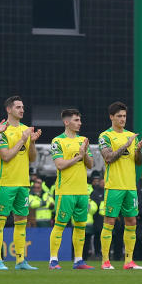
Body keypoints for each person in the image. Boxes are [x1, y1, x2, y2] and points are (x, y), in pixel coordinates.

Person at [0, 95, 41, 271]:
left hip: (23, 183)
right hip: (6, 183)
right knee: (1, 220)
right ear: (9, 109)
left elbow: (32, 158)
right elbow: (5, 156)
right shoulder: (3, 130)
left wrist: (32, 142)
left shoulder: (26, 129)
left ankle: (21, 261)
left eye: (22, 107)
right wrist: (22, 139)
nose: (22, 110)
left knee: (21, 221)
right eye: (18, 107)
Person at [98, 101, 142, 270]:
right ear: (111, 117)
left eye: (124, 116)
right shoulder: (105, 136)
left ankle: (128, 261)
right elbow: (108, 157)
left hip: (130, 186)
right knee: (109, 221)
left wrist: (138, 149)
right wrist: (126, 144)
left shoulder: (132, 135)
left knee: (132, 221)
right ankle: (105, 261)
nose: (122, 119)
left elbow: (138, 162)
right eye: (119, 116)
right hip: (114, 186)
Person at [47, 108, 94, 270]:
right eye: (76, 120)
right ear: (66, 122)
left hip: (82, 190)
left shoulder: (83, 140)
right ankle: (53, 260)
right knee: (60, 225)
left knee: (81, 226)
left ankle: (78, 260)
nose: (79, 123)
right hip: (65, 191)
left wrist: (85, 154)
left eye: (80, 120)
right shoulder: (57, 141)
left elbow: (91, 165)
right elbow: (59, 165)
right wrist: (78, 157)